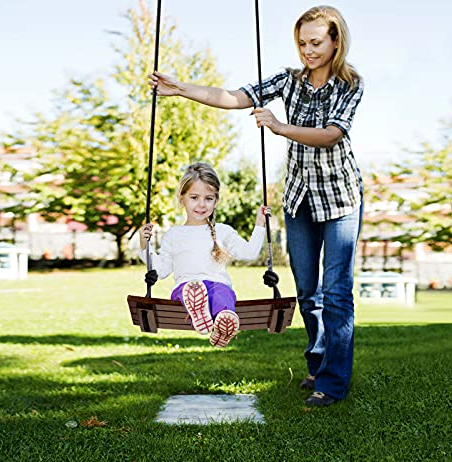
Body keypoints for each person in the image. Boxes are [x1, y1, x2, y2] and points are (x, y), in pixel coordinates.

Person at [149, 6, 363, 406]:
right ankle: (318, 363)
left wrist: (279, 127)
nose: (308, 51)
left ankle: (332, 383)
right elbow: (232, 96)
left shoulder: (350, 84)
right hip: (299, 197)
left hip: (340, 199)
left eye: (316, 42)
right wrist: (182, 88)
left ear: (336, 41)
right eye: (302, 43)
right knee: (306, 291)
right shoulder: (288, 79)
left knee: (335, 291)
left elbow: (332, 134)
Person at [139, 162, 270, 348]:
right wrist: (145, 246)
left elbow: (249, 253)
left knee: (222, 294)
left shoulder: (222, 231)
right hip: (185, 288)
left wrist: (260, 223)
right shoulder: (173, 235)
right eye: (194, 197)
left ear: (216, 201)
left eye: (208, 198)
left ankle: (223, 323)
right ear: (182, 198)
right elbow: (161, 270)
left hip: (218, 286)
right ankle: (200, 314)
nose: (201, 204)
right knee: (191, 290)